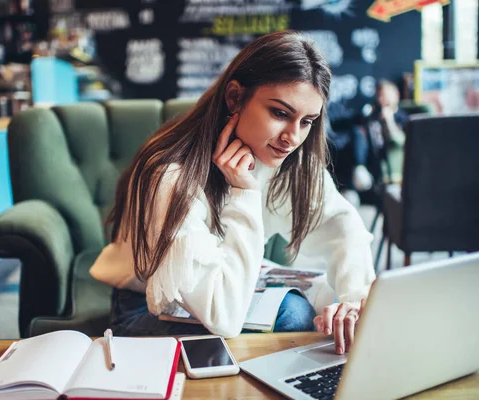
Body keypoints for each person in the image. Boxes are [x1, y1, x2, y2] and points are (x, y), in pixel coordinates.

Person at [90, 31, 375, 355]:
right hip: (144, 308)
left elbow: (344, 228)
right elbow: (222, 316)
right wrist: (244, 194)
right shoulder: (170, 176)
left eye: (307, 120)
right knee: (298, 317)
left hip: (232, 287)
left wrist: (353, 301)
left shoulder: (290, 163)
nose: (292, 137)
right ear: (235, 97)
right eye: (280, 113)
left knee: (327, 305)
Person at [352, 80, 408, 191]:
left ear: (396, 96)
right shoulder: (372, 116)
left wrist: (390, 121)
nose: (382, 100)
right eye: (379, 96)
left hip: (395, 169)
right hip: (374, 164)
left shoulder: (402, 117)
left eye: (385, 96)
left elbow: (400, 142)